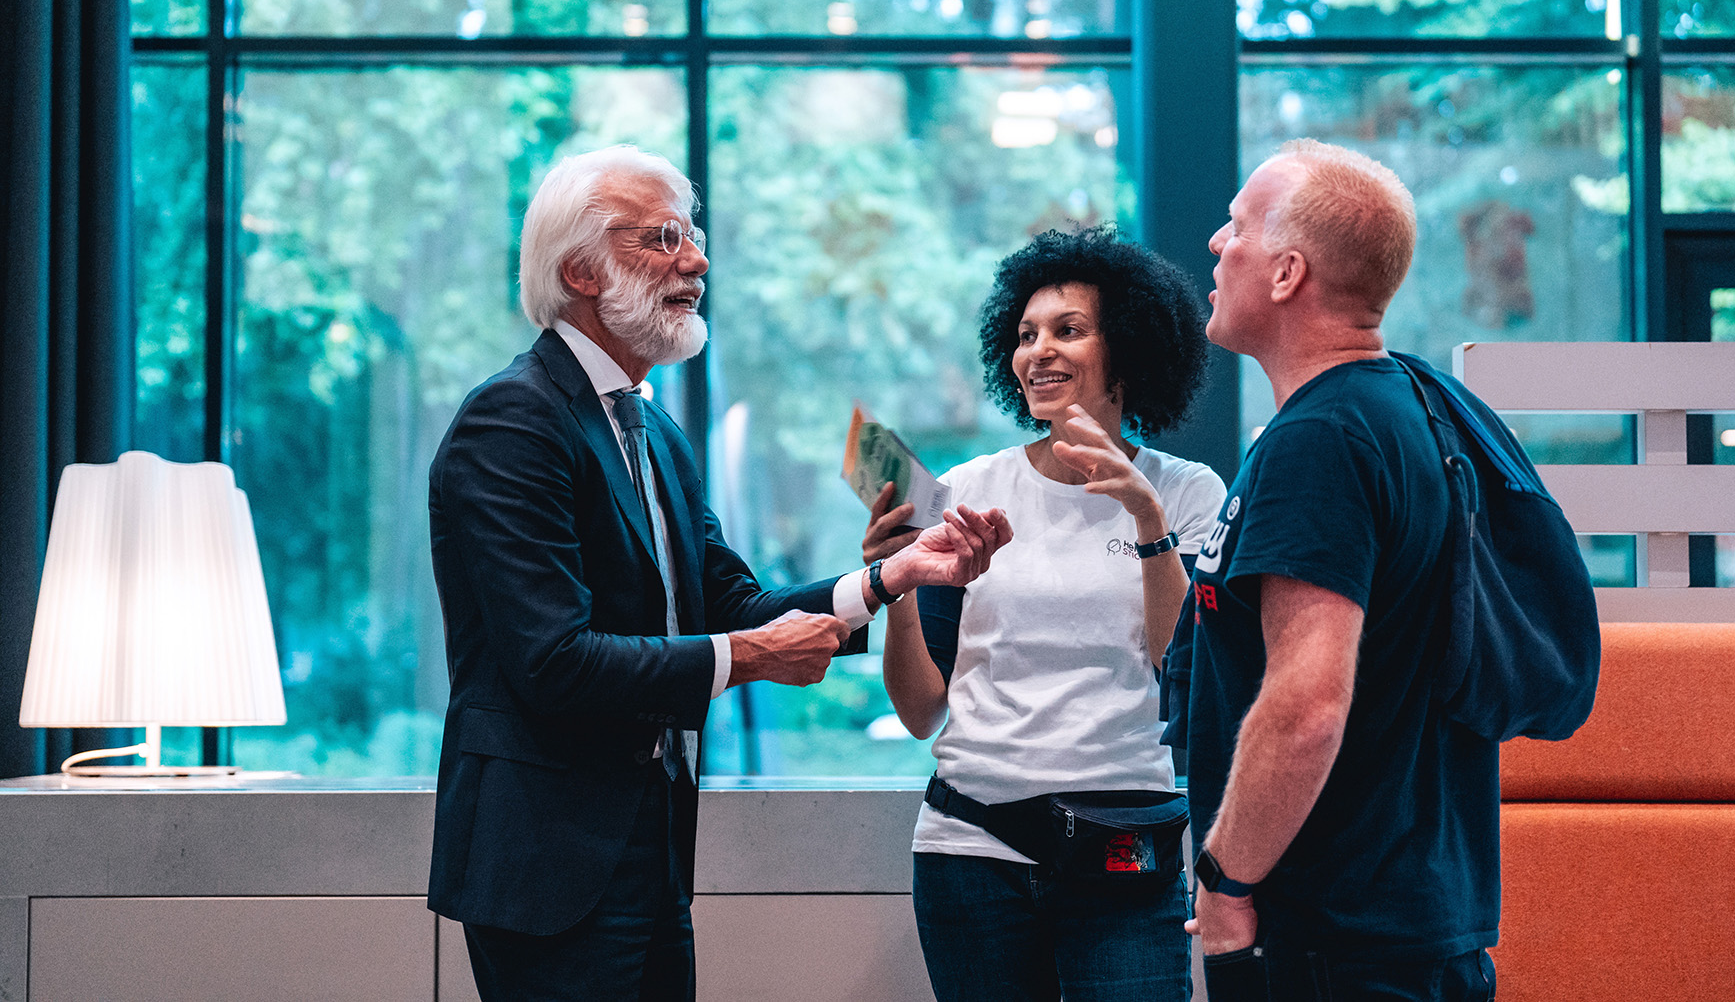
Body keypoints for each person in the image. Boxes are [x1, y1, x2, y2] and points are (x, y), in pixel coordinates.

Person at [425, 144, 1012, 1002]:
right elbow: (554, 661)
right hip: (548, 865)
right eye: (662, 238)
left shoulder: (653, 430)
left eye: (692, 235)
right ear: (581, 270)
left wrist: (894, 576)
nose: (695, 261)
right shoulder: (512, 421)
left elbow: (736, 602)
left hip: (651, 850)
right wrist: (748, 656)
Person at [863, 227, 1224, 1002]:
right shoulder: (966, 488)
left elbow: (1181, 672)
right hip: (970, 849)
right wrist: (890, 585)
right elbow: (922, 708)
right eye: (1025, 335)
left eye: (1067, 330)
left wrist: (1142, 513)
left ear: (1126, 348)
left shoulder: (1188, 493)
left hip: (1125, 847)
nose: (1039, 352)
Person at [1177, 139, 1497, 999]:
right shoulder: (1410, 411)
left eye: (1237, 226)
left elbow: (1308, 703)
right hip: (1408, 925)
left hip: (1338, 943)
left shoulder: (1320, 442)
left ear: (1286, 274)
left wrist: (1226, 880)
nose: (1215, 243)